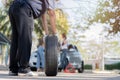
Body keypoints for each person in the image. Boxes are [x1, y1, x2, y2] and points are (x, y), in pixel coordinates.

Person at [8, 0, 39, 76]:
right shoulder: (49, 2)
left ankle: (13, 69)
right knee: (25, 37)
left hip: (14, 6)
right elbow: (51, 13)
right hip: (24, 8)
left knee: (15, 39)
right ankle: (24, 68)